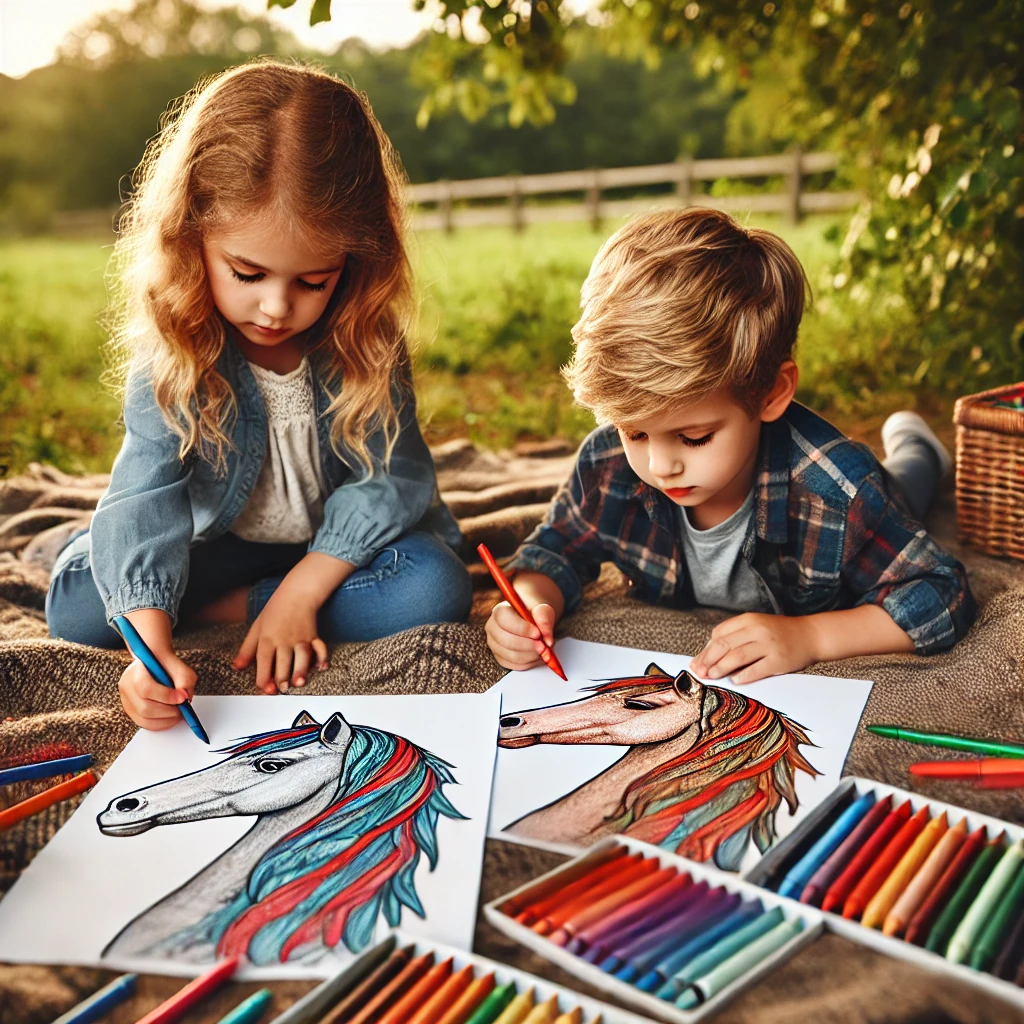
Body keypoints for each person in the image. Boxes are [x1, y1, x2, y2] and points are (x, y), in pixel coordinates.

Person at [47, 61, 472, 729]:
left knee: (434, 588)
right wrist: (150, 653)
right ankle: (229, 598)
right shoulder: (177, 346)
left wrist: (305, 588)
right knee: (76, 604)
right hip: (216, 543)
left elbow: (397, 476)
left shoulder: (365, 337)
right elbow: (147, 492)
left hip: (338, 550)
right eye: (247, 273)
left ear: (354, 262)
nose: (277, 307)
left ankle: (255, 600)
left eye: (314, 281)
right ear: (193, 238)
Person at [486, 208, 975, 683]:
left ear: (772, 393)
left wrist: (809, 637)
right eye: (634, 431)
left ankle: (918, 443)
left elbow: (941, 594)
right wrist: (528, 603)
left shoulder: (840, 491)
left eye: (694, 437)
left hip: (867, 496)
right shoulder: (608, 465)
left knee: (909, 480)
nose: (660, 465)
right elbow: (556, 550)